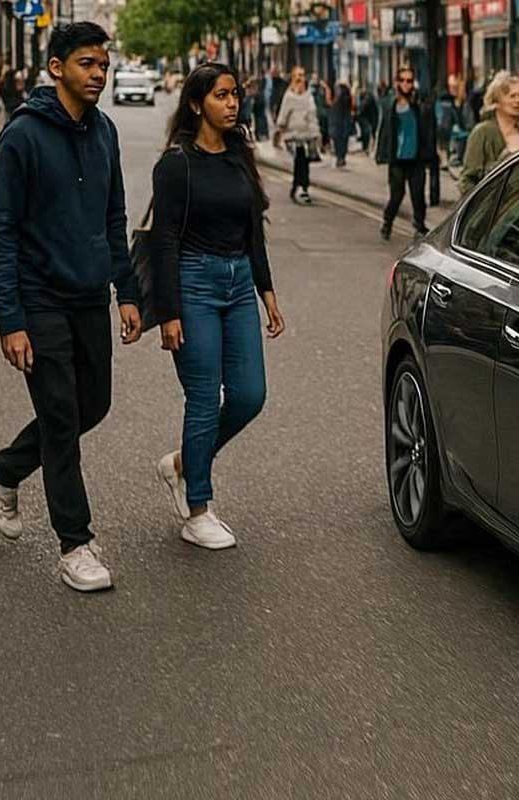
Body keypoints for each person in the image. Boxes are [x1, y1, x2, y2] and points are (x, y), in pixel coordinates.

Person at [0, 22, 142, 592]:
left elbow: (114, 217)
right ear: (56, 68)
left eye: (104, 65)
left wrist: (128, 292)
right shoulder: (22, 137)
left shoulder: (105, 132)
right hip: (39, 299)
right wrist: (11, 320)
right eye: (87, 64)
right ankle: (75, 544)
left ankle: (3, 470)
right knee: (61, 417)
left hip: (89, 296)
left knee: (92, 404)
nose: (99, 74)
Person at [145, 63, 286, 550]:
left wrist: (267, 293)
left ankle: (184, 463)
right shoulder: (176, 165)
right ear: (196, 103)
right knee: (204, 398)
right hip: (193, 283)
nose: (232, 104)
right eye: (221, 95)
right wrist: (169, 313)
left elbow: (253, 231)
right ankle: (198, 508)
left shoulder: (239, 155)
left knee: (249, 395)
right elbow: (163, 240)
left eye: (234, 95)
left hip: (239, 281)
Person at [376, 67, 436, 241]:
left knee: (418, 195)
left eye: (409, 81)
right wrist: (381, 153)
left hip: (416, 158)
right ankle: (387, 222)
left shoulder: (419, 106)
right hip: (398, 159)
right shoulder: (391, 106)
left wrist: (430, 154)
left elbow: (427, 130)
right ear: (397, 83)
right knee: (397, 195)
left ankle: (420, 225)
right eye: (402, 80)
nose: (406, 84)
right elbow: (384, 130)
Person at [459, 72, 519, 195]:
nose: (517, 100)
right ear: (496, 101)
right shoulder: (482, 133)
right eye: (512, 96)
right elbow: (467, 180)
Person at [272, 65, 321, 204]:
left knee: (304, 161)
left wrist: (317, 134)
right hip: (293, 135)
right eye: (298, 75)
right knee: (300, 160)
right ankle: (302, 188)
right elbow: (283, 115)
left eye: (302, 75)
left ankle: (299, 187)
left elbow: (312, 116)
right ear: (293, 78)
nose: (300, 78)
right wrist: (279, 131)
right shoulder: (289, 96)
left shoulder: (308, 96)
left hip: (307, 134)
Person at [329, 80, 355, 167]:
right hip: (344, 121)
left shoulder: (338, 99)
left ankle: (340, 157)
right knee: (343, 140)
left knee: (338, 140)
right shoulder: (347, 97)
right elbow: (352, 106)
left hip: (338, 121)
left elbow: (331, 105)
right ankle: (341, 157)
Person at [355, 81, 378, 152]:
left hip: (370, 116)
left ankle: (368, 147)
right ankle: (366, 147)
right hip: (366, 116)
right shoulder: (363, 95)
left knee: (368, 131)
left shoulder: (368, 96)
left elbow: (364, 105)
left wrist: (358, 110)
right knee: (366, 131)